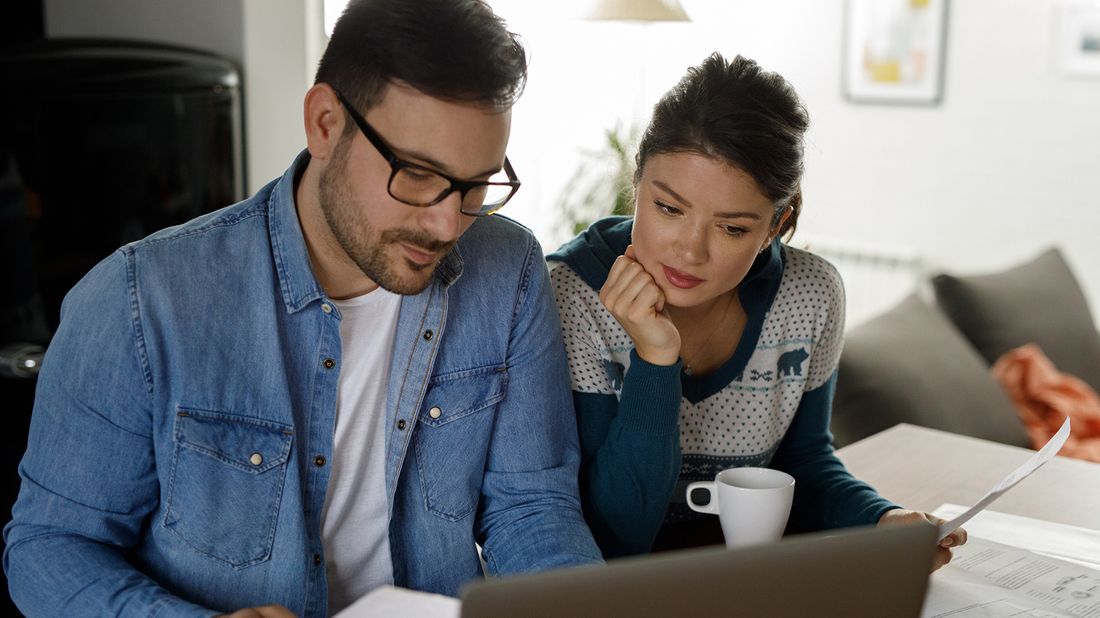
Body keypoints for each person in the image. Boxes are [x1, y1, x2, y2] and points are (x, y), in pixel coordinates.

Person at [3, 1, 603, 615]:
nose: (449, 222)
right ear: (324, 123)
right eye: (419, 175)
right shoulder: (139, 300)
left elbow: (532, 509)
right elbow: (51, 546)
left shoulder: (510, 269)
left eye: (477, 184)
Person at [547, 53, 966, 567]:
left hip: (755, 583)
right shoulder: (570, 297)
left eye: (733, 228)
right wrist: (656, 360)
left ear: (776, 223)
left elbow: (804, 464)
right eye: (668, 208)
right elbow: (616, 533)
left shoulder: (809, 295)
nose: (689, 251)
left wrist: (881, 521)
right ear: (636, 184)